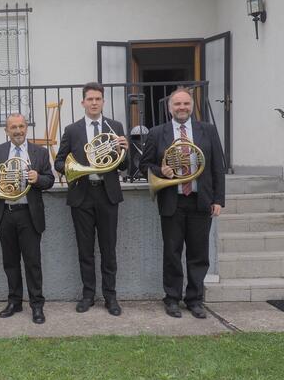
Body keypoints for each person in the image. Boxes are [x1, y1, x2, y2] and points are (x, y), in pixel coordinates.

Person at [139, 88, 225, 319]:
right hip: (172, 200)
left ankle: (195, 300)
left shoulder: (207, 130)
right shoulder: (158, 133)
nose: (182, 108)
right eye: (177, 104)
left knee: (199, 254)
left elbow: (217, 166)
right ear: (170, 108)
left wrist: (218, 199)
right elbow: (143, 165)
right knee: (172, 253)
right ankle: (172, 299)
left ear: (192, 105)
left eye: (186, 103)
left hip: (201, 201)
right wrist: (161, 170)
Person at [54, 82, 129, 316]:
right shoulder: (72, 130)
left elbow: (124, 166)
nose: (94, 103)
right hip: (82, 195)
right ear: (83, 102)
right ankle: (88, 295)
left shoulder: (114, 126)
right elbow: (59, 162)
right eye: (90, 99)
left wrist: (125, 149)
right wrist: (74, 169)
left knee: (109, 249)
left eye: (98, 99)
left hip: (107, 195)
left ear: (103, 102)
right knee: (85, 250)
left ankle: (110, 297)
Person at [0, 113, 55, 324]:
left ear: (26, 128)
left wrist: (38, 178)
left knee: (33, 262)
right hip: (5, 213)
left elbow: (49, 179)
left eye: (21, 126)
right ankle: (14, 301)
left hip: (29, 215)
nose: (18, 130)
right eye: (13, 127)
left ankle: (37, 305)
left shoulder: (39, 152)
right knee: (10, 262)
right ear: (7, 130)